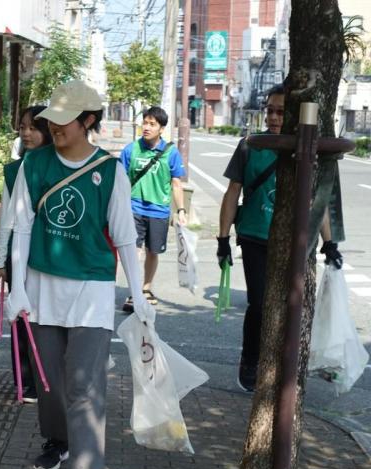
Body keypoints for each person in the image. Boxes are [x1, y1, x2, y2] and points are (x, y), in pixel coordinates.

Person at [6, 80, 154, 469]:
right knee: (49, 378)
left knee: (85, 382)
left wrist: (138, 293)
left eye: (63, 119)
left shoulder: (110, 171)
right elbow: (23, 227)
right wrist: (17, 286)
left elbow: (125, 237)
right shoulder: (34, 165)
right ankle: (57, 441)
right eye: (50, 119)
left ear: (88, 121)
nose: (53, 127)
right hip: (41, 285)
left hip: (91, 288)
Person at [217, 84, 343, 392]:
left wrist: (329, 243)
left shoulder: (307, 148)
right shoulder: (251, 145)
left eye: (280, 111)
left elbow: (319, 200)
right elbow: (233, 191)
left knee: (294, 305)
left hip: (296, 241)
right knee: (259, 304)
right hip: (254, 235)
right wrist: (222, 239)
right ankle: (249, 361)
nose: (273, 117)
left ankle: (286, 366)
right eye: (269, 110)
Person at [0, 105, 53, 404]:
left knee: (48, 319)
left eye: (34, 127)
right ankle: (26, 381)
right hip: (19, 255)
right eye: (23, 127)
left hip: (51, 255)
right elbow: (6, 218)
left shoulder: (58, 166)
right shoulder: (14, 170)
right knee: (21, 317)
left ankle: (49, 378)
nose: (26, 133)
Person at [119, 106, 186, 312]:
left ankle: (146, 288)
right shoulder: (131, 149)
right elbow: (121, 181)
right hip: (134, 206)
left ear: (161, 128)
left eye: (152, 124)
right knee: (134, 250)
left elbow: (176, 183)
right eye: (145, 123)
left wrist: (181, 210)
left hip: (159, 210)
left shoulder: (170, 153)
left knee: (153, 251)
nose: (146, 127)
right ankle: (134, 292)